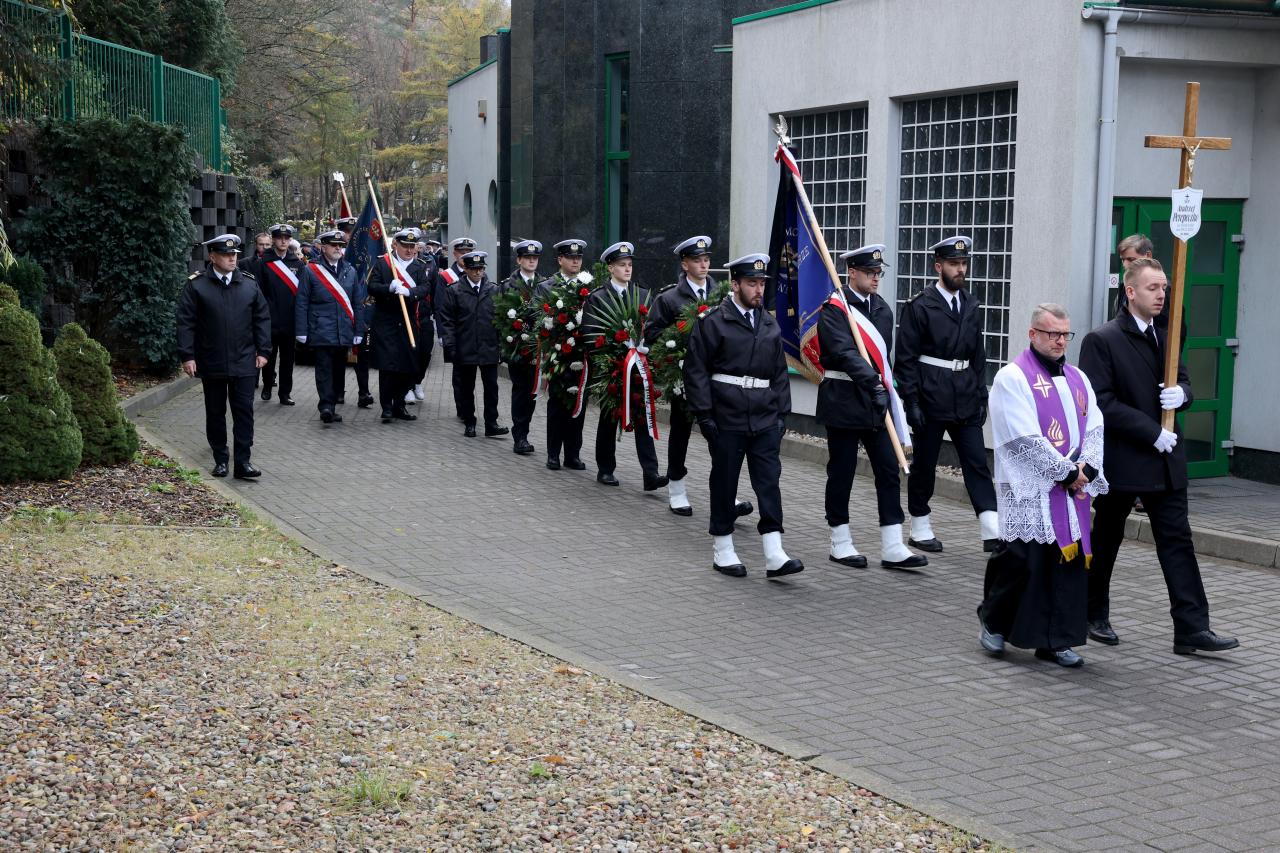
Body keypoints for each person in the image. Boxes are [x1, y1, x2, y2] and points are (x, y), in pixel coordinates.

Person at [1079, 258, 1239, 655]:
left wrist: (1183, 396)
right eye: (1153, 288)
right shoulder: (1103, 339)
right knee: (1107, 537)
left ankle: (1191, 627)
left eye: (1164, 287)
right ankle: (1091, 611)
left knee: (1177, 541)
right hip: (1126, 459)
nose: (1162, 294)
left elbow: (1182, 380)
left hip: (1166, 463)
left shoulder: (1165, 334)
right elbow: (1100, 403)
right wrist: (1151, 432)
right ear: (1130, 291)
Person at [978, 304, 1108, 667]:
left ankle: (1056, 639)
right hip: (1031, 488)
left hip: (1070, 491)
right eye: (1052, 334)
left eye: (1066, 334)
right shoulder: (1013, 377)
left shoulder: (1079, 379)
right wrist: (1064, 472)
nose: (1060, 341)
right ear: (1032, 334)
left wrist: (1088, 466)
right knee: (1022, 562)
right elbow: (1021, 437)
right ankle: (994, 621)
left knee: (1064, 567)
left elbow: (1095, 426)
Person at [684, 254, 802, 579]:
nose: (758, 289)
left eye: (761, 283)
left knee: (769, 482)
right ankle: (723, 548)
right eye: (752, 282)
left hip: (764, 415)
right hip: (727, 415)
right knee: (725, 481)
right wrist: (705, 415)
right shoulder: (713, 322)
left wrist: (782, 415)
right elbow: (695, 372)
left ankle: (774, 551)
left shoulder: (768, 323)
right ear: (735, 284)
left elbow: (779, 372)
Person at [817, 244, 927, 570]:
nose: (876, 278)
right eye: (870, 273)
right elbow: (845, 355)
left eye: (879, 273)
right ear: (852, 273)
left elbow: (883, 360)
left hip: (876, 404)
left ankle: (893, 544)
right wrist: (874, 385)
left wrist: (886, 394)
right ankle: (840, 541)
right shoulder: (834, 309)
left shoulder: (883, 310)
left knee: (887, 471)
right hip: (843, 400)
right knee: (843, 472)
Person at [894, 235, 999, 553]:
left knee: (977, 461)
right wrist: (911, 401)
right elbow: (906, 359)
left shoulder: (971, 304)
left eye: (964, 264)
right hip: (931, 392)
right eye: (954, 264)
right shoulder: (919, 306)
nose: (960, 269)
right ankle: (920, 525)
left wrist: (982, 394)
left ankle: (991, 528)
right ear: (938, 266)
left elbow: (979, 353)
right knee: (925, 463)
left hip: (965, 392)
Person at [176, 234, 271, 479]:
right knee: (215, 412)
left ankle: (243, 462)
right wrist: (188, 356)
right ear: (212, 257)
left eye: (235, 255)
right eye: (227, 254)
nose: (232, 258)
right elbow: (186, 323)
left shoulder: (249, 284)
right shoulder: (197, 285)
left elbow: (261, 319)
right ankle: (220, 459)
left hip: (244, 361)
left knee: (244, 412)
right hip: (212, 360)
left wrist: (264, 350)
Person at [583, 242, 665, 490]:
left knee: (643, 417)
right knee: (609, 418)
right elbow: (589, 333)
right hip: (612, 368)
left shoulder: (641, 295)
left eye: (629, 265)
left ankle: (650, 474)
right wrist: (611, 355)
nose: (627, 269)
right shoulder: (598, 297)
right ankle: (605, 468)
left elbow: (651, 327)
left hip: (638, 367)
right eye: (621, 265)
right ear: (610, 267)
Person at [295, 230, 366, 424]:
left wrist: (359, 330)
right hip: (320, 328)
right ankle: (326, 405)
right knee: (324, 369)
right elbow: (302, 302)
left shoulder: (350, 270)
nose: (338, 248)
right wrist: (301, 331)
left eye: (340, 245)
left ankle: (332, 403)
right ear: (323, 247)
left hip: (343, 329)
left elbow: (357, 303)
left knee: (338, 369)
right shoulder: (311, 270)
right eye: (334, 245)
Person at [438, 251, 508, 438]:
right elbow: (447, 322)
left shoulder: (493, 290)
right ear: (466, 269)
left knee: (491, 388)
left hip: (489, 347)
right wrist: (450, 347)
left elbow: (500, 320)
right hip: (465, 347)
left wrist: (502, 347)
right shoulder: (454, 290)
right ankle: (469, 421)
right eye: (474, 269)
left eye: (481, 269)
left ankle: (491, 423)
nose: (478, 273)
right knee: (466, 388)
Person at [368, 228, 431, 424]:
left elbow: (425, 288)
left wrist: (409, 292)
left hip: (408, 323)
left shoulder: (420, 267)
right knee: (388, 367)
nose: (410, 250)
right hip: (386, 322)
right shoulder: (383, 263)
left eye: (413, 246)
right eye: (406, 246)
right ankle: (387, 407)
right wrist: (389, 288)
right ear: (396, 245)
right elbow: (371, 286)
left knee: (408, 366)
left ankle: (399, 405)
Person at [541, 239, 591, 471]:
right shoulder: (547, 286)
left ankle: (573, 454)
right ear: (560, 259)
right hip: (558, 356)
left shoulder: (589, 285)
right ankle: (553, 453)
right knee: (558, 406)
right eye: (571, 258)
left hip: (582, 356)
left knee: (578, 406)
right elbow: (540, 322)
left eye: (578, 258)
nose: (575, 261)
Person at [500, 239, 544, 455]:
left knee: (532, 393)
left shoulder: (545, 284)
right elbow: (500, 318)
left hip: (539, 349)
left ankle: (523, 432)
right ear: (519, 260)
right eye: (528, 258)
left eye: (535, 258)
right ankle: (520, 437)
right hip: (518, 349)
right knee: (521, 392)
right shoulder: (508, 285)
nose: (532, 261)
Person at [254, 223, 304, 406]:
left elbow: (301, 294)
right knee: (269, 356)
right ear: (274, 240)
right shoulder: (263, 263)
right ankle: (267, 386)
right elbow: (258, 291)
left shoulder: (298, 264)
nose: (283, 241)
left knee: (288, 359)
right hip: (269, 320)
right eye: (279, 238)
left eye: (286, 238)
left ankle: (285, 393)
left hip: (289, 320)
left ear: (290, 240)